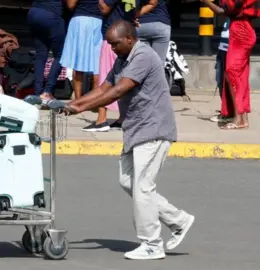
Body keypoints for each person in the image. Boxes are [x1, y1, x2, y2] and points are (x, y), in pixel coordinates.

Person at [64, 20, 195, 260]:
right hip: (136, 129)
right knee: (128, 182)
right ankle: (178, 220)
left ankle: (152, 244)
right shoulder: (123, 58)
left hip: (153, 129)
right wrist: (72, 104)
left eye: (115, 44)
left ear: (129, 39)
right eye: (110, 45)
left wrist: (80, 109)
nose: (112, 49)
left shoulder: (143, 56)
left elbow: (118, 91)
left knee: (143, 188)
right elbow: (105, 87)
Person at [94, 0, 136, 132]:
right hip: (127, 37)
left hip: (114, 37)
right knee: (124, 78)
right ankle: (123, 118)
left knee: (107, 78)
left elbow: (105, 9)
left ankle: (101, 119)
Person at [61, 0, 103, 130]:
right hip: (99, 21)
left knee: (78, 63)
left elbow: (71, 4)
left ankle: (78, 101)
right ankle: (96, 103)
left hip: (80, 21)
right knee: (98, 65)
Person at [218, 0, 258, 129]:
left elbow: (225, 10)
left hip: (241, 34)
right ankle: (243, 117)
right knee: (240, 76)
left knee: (232, 73)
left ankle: (238, 118)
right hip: (240, 32)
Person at [200, 0, 233, 124]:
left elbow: (221, 11)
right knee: (220, 81)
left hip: (229, 47)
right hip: (223, 46)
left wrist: (206, 2)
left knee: (226, 82)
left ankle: (228, 113)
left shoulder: (235, 4)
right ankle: (227, 110)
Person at [27, 0, 67, 100]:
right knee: (61, 55)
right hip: (52, 14)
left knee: (40, 54)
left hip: (34, 12)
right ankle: (47, 91)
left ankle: (37, 93)